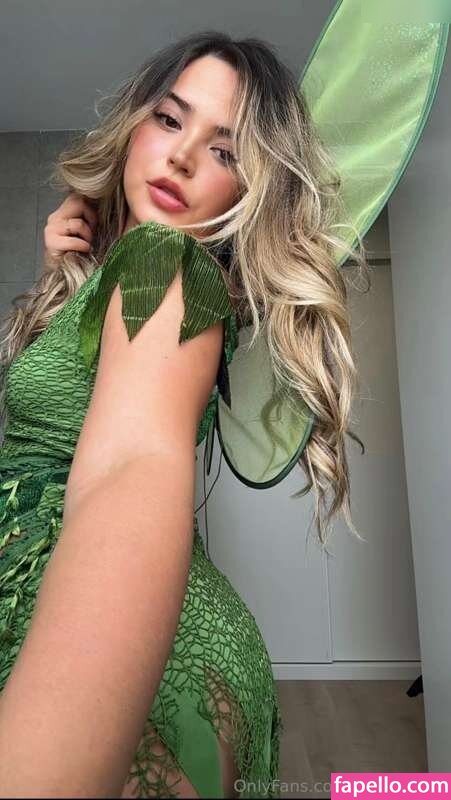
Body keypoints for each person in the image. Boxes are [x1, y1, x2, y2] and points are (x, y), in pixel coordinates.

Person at [0, 28, 369, 799]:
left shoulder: (163, 265)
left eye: (226, 152)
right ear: (133, 125)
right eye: (169, 120)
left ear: (251, 190)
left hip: (107, 621)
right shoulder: (130, 269)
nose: (181, 157)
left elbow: (131, 463)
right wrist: (63, 271)